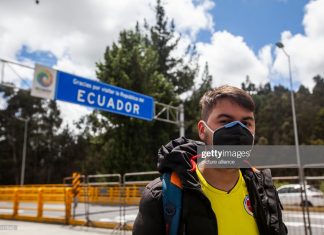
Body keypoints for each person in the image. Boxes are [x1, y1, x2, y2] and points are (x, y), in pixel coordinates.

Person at [133, 85, 287, 235]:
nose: (239, 131)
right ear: (202, 130)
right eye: (225, 121)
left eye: (246, 123)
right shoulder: (161, 195)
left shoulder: (264, 191)